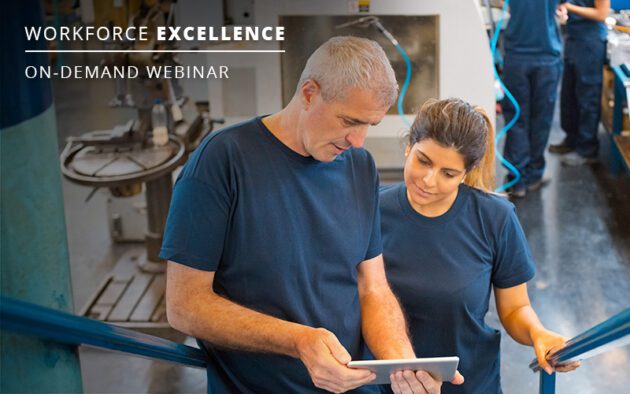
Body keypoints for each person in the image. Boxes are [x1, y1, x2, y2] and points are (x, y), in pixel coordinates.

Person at [160, 36, 462, 393]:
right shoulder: (222, 162)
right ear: (309, 93)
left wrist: (403, 365)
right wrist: (299, 341)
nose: (359, 141)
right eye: (350, 120)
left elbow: (373, 287)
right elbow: (184, 305)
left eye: (370, 125)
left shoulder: (360, 167)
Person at [379, 98, 580, 394]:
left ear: (465, 172)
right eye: (423, 160)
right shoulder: (373, 210)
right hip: (389, 385)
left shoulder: (495, 219)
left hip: (468, 384)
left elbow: (515, 309)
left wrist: (538, 333)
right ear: (410, 146)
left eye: (448, 174)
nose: (428, 180)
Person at [501, 0, 565, 197]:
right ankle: (534, 174)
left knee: (517, 118)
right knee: (541, 118)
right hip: (546, 56)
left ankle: (517, 179)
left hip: (517, 56)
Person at [549, 0, 611, 165]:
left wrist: (570, 7)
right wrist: (562, 9)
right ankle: (572, 139)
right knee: (569, 94)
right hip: (573, 39)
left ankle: (587, 149)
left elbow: (602, 13)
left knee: (587, 98)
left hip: (590, 43)